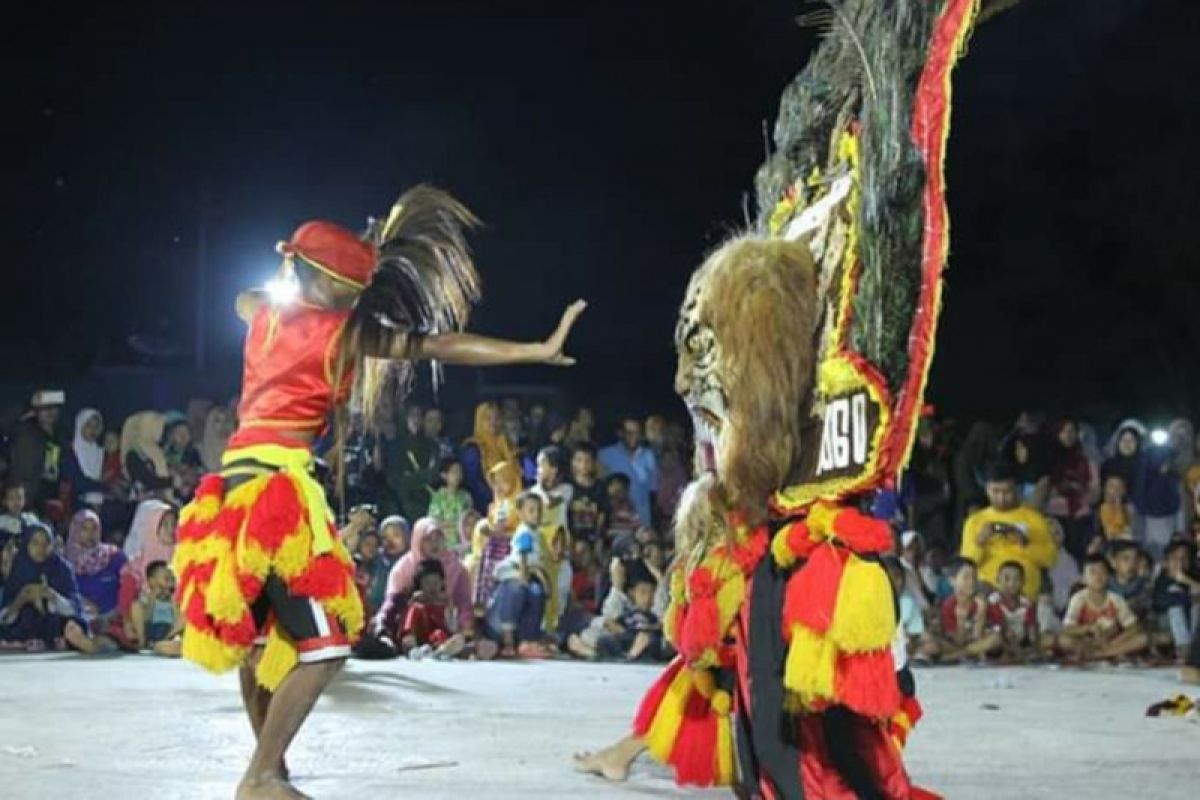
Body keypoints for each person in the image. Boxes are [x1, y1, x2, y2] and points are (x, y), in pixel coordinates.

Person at [170, 186, 585, 799]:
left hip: (228, 491)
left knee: (263, 642)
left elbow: (251, 294)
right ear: (343, 289)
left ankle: (270, 769)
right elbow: (439, 345)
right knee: (328, 645)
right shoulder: (344, 334)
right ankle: (259, 775)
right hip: (276, 494)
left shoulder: (258, 310)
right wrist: (535, 349)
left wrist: (315, 264)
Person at [960, 461, 1058, 601]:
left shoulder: (1034, 519)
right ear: (986, 489)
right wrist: (979, 543)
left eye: (1007, 491)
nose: (1001, 497)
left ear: (1017, 489)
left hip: (1025, 592)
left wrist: (1026, 545)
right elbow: (967, 566)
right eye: (995, 491)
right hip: (989, 591)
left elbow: (1051, 560)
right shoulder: (974, 522)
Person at [376, 517, 474, 640]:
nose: (435, 543)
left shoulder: (456, 567)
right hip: (411, 624)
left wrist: (466, 627)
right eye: (428, 539)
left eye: (438, 538)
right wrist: (412, 599)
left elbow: (464, 602)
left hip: (445, 623)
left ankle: (445, 646)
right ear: (418, 541)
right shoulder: (404, 568)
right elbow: (392, 602)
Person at [0, 523, 90, 652]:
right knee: (27, 614)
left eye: (46, 543)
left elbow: (75, 607)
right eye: (35, 543)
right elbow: (4, 617)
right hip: (25, 622)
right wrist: (20, 599)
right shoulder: (18, 568)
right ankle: (28, 639)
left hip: (56, 619)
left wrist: (52, 595)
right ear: (27, 544)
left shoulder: (62, 568)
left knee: (70, 622)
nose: (41, 548)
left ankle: (56, 638)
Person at [485, 491, 552, 657]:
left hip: (529, 571)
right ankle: (508, 641)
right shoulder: (524, 532)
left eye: (539, 510)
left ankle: (528, 640)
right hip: (516, 569)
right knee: (517, 590)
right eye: (531, 510)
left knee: (537, 593)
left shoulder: (536, 533)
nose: (536, 515)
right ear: (521, 513)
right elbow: (523, 554)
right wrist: (523, 576)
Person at [1059, 554, 1149, 661]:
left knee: (1143, 639)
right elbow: (1067, 629)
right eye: (1092, 572)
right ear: (1083, 578)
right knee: (1064, 641)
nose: (1098, 576)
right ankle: (1104, 654)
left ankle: (1101, 654)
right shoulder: (1078, 598)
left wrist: (1114, 642)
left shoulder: (1115, 599)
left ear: (1108, 576)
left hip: (1111, 643)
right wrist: (1088, 629)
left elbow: (1134, 627)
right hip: (1088, 643)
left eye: (1102, 572)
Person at [1046, 419, 1099, 566]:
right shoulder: (1049, 460)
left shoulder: (1085, 460)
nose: (1068, 435)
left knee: (1080, 559)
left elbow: (1095, 489)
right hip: (1056, 516)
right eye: (1063, 431)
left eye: (1071, 431)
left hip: (1080, 517)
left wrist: (1081, 495)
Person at [470, 460, 522, 610]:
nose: (498, 487)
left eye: (503, 482)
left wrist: (495, 533)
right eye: (495, 482)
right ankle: (480, 605)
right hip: (493, 546)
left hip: (510, 548)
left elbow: (515, 530)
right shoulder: (496, 504)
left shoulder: (518, 504)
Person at [931, 557, 1002, 662]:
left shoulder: (982, 601)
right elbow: (957, 640)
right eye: (966, 577)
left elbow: (978, 636)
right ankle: (967, 654)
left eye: (974, 577)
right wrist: (961, 620)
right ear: (952, 581)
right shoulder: (948, 605)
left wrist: (981, 612)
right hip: (956, 644)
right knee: (935, 642)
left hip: (977, 643)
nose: (971, 582)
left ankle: (958, 656)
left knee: (996, 639)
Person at [65, 509, 126, 628]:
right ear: (75, 530)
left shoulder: (114, 556)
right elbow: (64, 593)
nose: (90, 534)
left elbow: (129, 587)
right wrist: (82, 603)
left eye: (94, 528)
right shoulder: (65, 561)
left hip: (116, 620)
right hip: (82, 620)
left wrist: (115, 613)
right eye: (85, 529)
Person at [7, 390, 64, 513]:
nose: (50, 412)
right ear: (36, 411)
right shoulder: (26, 429)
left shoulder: (61, 437)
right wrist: (27, 405)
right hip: (24, 498)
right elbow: (4, 423)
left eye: (53, 408)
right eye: (45, 408)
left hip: (49, 500)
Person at [398, 559, 467, 659]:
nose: (432, 587)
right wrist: (413, 601)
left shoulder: (445, 604)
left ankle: (441, 652)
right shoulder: (416, 604)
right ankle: (412, 650)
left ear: (442, 583)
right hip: (418, 639)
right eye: (427, 583)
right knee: (416, 609)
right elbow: (407, 623)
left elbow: (452, 628)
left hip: (437, 641)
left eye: (435, 582)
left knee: (447, 636)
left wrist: (449, 607)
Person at [598, 416, 658, 528]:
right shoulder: (604, 455)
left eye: (637, 433)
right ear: (620, 433)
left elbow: (653, 492)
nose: (634, 437)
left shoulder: (649, 456)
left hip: (643, 523)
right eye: (629, 433)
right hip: (615, 526)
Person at [985, 561, 1050, 661]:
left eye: (1016, 579)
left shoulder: (1026, 603)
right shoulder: (993, 601)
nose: (1011, 583)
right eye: (1006, 579)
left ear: (1023, 581)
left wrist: (1034, 646)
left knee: (1048, 641)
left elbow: (1031, 628)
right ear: (997, 580)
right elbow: (1000, 628)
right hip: (1000, 642)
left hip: (1021, 642)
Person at [461, 401, 518, 513]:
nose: (494, 422)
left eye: (497, 418)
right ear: (479, 420)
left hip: (510, 505)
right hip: (483, 507)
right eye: (488, 418)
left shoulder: (506, 445)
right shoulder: (473, 448)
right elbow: (473, 482)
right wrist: (496, 497)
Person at [1152, 539, 1200, 659]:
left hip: (1192, 626)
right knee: (1176, 605)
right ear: (1167, 562)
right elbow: (1161, 601)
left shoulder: (1194, 576)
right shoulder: (1162, 580)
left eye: (1184, 558)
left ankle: (1191, 646)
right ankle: (1184, 648)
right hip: (1165, 622)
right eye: (1175, 558)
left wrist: (1185, 580)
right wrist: (1191, 599)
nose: (1180, 562)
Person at [126, 560, 183, 656]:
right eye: (166, 578)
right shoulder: (146, 597)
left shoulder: (174, 599)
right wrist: (153, 599)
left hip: (169, 632)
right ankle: (142, 641)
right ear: (152, 581)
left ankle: (166, 642)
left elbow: (177, 619)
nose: (170, 582)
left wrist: (173, 601)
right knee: (136, 605)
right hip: (151, 630)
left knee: (186, 612)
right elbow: (147, 617)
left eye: (172, 579)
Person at [62, 408, 109, 510]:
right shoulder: (70, 451)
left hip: (99, 506)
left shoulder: (101, 452)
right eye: (88, 425)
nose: (93, 430)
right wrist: (104, 486)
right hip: (76, 506)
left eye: (96, 426)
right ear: (80, 425)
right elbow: (77, 482)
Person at [121, 411, 173, 501]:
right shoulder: (133, 455)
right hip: (144, 503)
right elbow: (147, 480)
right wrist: (171, 482)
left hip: (160, 501)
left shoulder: (157, 452)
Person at [567, 443, 608, 553]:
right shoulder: (567, 486)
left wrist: (598, 538)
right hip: (570, 538)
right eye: (579, 460)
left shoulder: (600, 487)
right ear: (572, 462)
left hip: (591, 536)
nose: (583, 465)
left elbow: (602, 514)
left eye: (587, 461)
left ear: (594, 463)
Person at [426, 458, 473, 552]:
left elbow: (470, 518)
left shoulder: (466, 496)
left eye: (460, 472)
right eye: (454, 472)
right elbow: (433, 522)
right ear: (444, 475)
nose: (458, 475)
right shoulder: (439, 497)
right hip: (446, 542)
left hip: (465, 540)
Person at [531, 445, 573, 536]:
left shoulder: (566, 489)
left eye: (541, 466)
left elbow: (549, 503)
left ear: (554, 470)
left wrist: (540, 487)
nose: (537, 470)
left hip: (558, 539)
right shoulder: (533, 491)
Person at [353, 530, 391, 617]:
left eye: (375, 546)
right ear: (359, 545)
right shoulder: (352, 564)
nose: (371, 548)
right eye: (367, 544)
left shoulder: (381, 569)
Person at [603, 473, 642, 548]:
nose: (619, 491)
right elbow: (603, 530)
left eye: (624, 488)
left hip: (629, 538)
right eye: (616, 488)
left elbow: (637, 525)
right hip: (610, 541)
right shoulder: (604, 505)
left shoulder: (629, 506)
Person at [197, 404, 236, 474]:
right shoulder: (197, 453)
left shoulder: (242, 451)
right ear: (209, 424)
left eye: (227, 420)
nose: (223, 425)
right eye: (217, 421)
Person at [0, 482, 38, 547]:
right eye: (11, 498)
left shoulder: (31, 518)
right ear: (4, 501)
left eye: (19, 497)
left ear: (24, 500)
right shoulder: (1, 521)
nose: (16, 502)